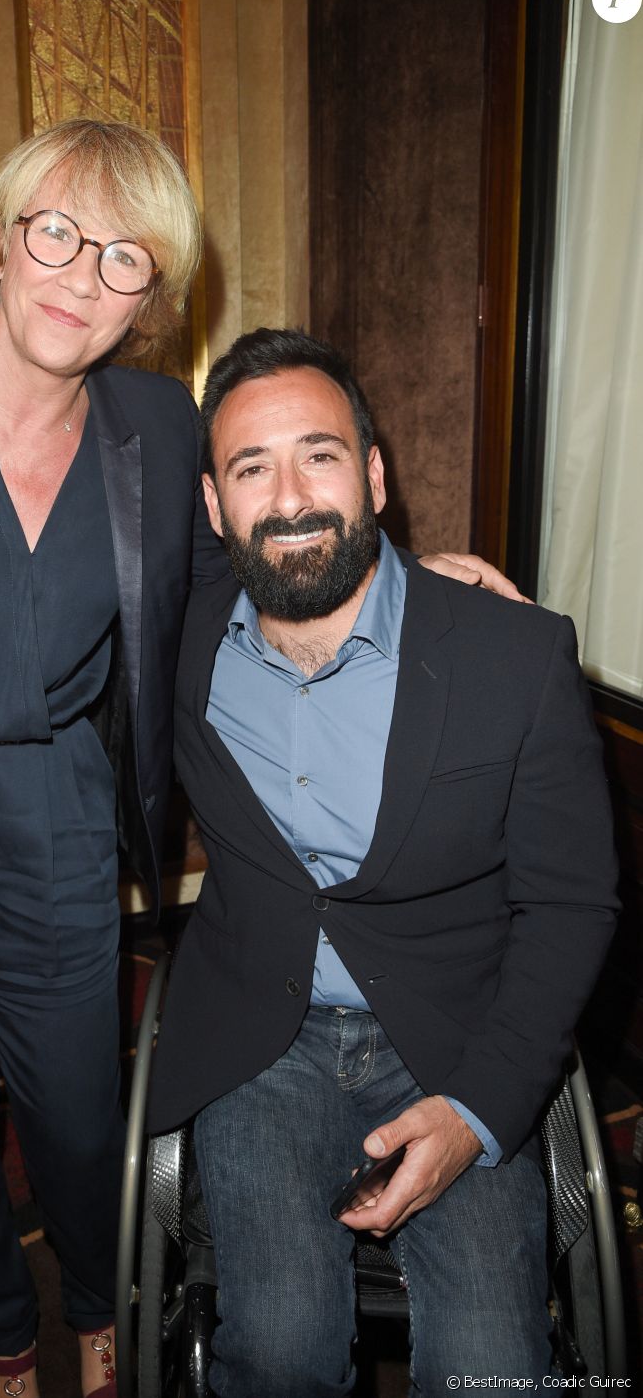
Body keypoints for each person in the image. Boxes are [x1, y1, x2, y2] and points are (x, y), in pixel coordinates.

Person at [0, 121, 519, 1398]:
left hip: (58, 818)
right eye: (54, 232)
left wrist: (398, 579)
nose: (78, 275)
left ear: (149, 300)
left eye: (123, 259)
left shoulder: (156, 426)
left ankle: (98, 1310)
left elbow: (242, 582)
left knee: (80, 1118)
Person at [148, 328, 619, 1396]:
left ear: (372, 474)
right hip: (259, 1037)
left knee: (493, 1369)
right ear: (214, 508)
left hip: (456, 1036)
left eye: (318, 454)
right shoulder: (176, 644)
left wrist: (477, 1112)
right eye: (249, 467)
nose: (289, 496)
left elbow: (571, 904)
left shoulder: (511, 654)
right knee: (273, 1347)